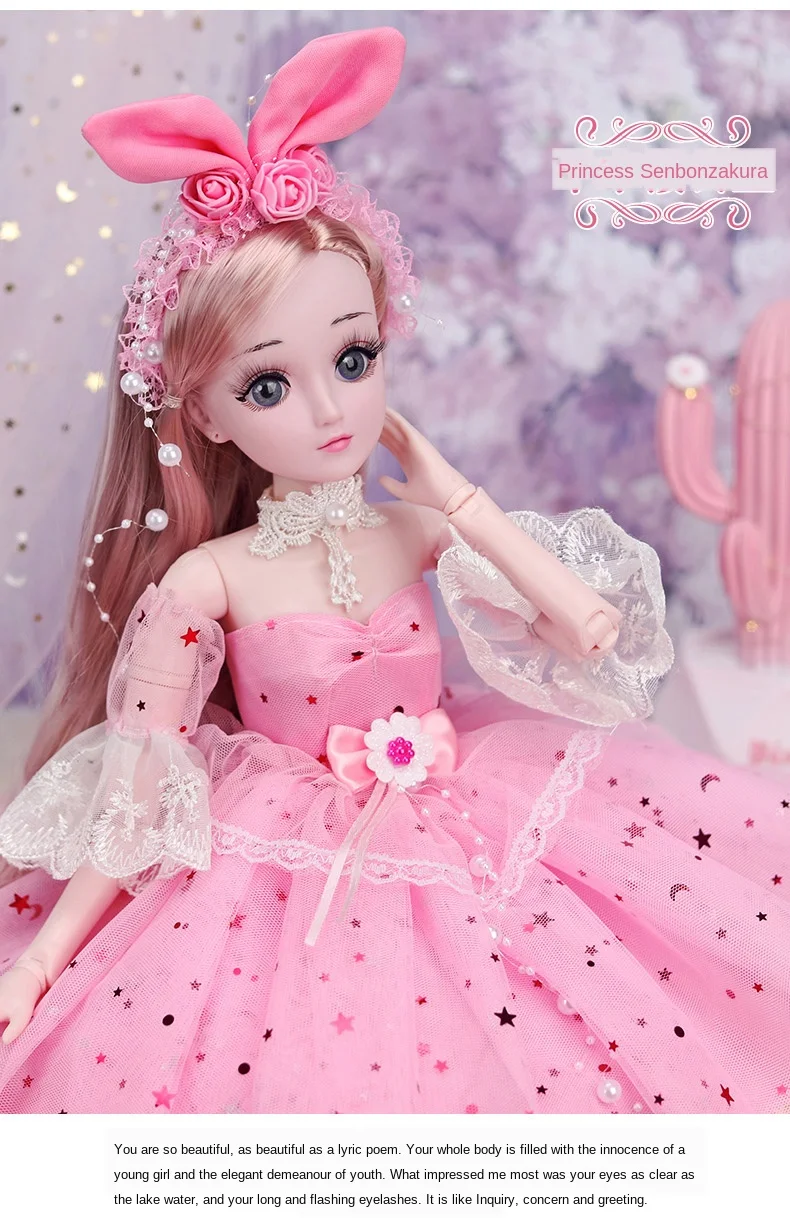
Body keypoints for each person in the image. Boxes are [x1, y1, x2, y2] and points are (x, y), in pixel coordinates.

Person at [0, 27, 787, 1116]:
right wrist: (44, 962)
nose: (330, 408)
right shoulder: (204, 584)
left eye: (354, 357)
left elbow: (592, 634)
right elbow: (138, 789)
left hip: (471, 804)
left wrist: (454, 496)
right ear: (204, 415)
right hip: (278, 861)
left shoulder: (414, 530)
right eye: (268, 385)